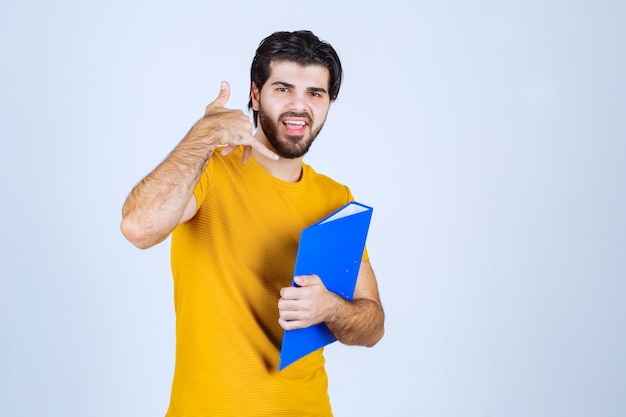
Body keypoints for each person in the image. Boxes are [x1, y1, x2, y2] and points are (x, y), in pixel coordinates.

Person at [120, 30, 384, 417]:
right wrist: (203, 134)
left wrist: (331, 308)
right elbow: (138, 227)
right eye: (283, 89)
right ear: (256, 95)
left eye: (315, 93)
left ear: (329, 103)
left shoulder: (336, 199)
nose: (300, 106)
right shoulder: (206, 171)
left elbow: (372, 325)